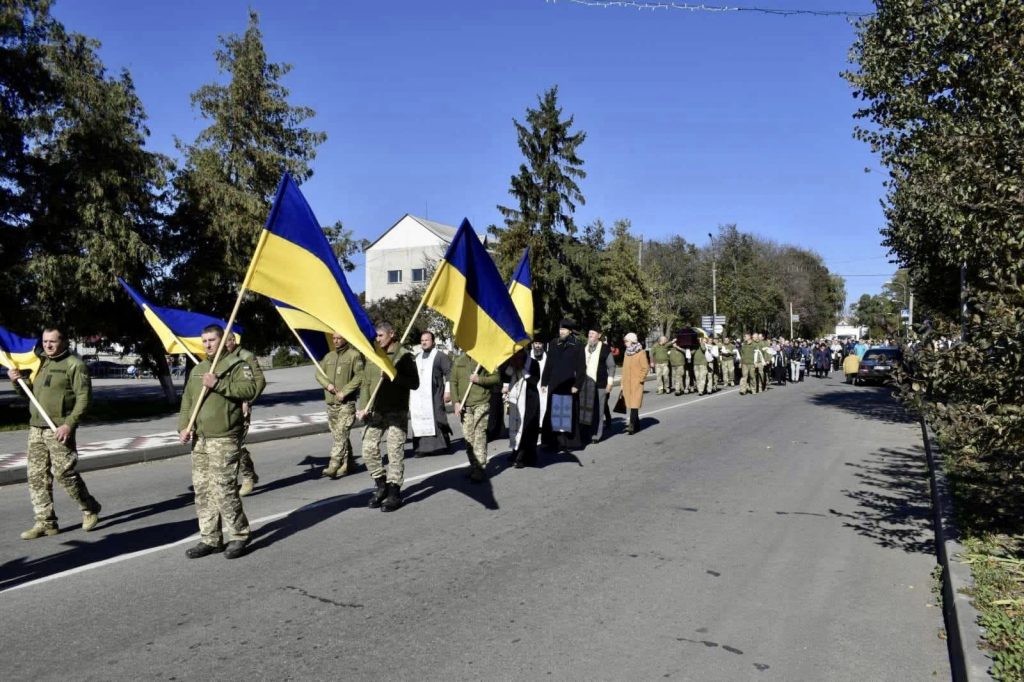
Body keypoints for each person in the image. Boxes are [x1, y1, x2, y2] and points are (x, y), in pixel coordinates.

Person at [9, 327, 102, 540]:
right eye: (45, 341)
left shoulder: (75, 365)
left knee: (64, 473)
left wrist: (69, 424)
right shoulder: (40, 363)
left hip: (59, 429)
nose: (48, 345)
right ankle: (45, 522)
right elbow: (29, 397)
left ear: (64, 342)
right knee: (36, 476)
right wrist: (16, 381)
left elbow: (84, 399)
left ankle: (89, 507)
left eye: (53, 341)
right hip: (36, 428)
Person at [178, 324, 258, 560]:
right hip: (200, 440)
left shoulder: (236, 365)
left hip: (224, 438)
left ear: (223, 341)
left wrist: (218, 384)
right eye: (204, 341)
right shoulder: (198, 369)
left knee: (224, 489)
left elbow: (249, 389)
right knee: (203, 491)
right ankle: (210, 538)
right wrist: (183, 426)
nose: (207, 345)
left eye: (212, 340)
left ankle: (240, 535)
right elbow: (187, 401)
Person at [356, 321, 419, 512]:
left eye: (380, 335)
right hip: (376, 410)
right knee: (368, 447)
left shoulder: (404, 356)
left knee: (394, 451)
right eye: (376, 336)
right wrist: (363, 407)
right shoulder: (373, 355)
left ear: (391, 334)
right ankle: (381, 485)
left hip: (396, 411)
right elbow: (366, 383)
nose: (377, 339)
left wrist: (394, 375)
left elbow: (414, 383)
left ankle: (394, 491)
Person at [316, 333, 364, 478]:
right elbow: (318, 373)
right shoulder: (328, 357)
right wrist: (328, 385)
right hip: (331, 403)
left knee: (341, 434)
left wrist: (345, 391)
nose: (336, 341)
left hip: (346, 403)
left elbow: (360, 376)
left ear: (345, 338)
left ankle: (334, 464)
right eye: (334, 338)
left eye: (339, 338)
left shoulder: (354, 355)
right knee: (340, 435)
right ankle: (348, 462)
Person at [224, 331, 266, 497]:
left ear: (233, 340)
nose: (223, 346)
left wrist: (248, 401)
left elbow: (260, 381)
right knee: (228, 443)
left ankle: (247, 476)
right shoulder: (223, 358)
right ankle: (241, 476)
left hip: (242, 407)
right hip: (226, 408)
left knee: (237, 444)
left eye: (225, 342)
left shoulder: (246, 356)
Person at [451, 353, 500, 481]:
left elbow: (496, 378)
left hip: (481, 403)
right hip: (465, 405)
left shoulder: (486, 358)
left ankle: (480, 468)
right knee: (468, 438)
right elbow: (453, 381)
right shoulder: (459, 361)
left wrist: (480, 379)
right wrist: (455, 401)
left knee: (479, 435)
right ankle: (474, 465)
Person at [541, 318, 584, 453]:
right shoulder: (554, 343)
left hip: (568, 384)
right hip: (554, 384)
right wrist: (544, 381)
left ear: (570, 331)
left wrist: (577, 384)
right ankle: (553, 442)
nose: (561, 332)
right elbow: (548, 364)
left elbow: (582, 368)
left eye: (564, 329)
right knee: (553, 413)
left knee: (566, 414)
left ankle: (566, 442)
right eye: (560, 329)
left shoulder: (577, 345)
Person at [409, 331, 452, 457]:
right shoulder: (417, 357)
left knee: (438, 417)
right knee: (419, 419)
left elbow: (449, 373)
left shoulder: (440, 356)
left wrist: (448, 391)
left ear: (433, 342)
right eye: (422, 340)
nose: (424, 342)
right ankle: (421, 448)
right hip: (419, 395)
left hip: (435, 393)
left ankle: (443, 444)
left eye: (427, 340)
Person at [504, 347, 541, 468]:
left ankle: (524, 456)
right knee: (515, 425)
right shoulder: (512, 362)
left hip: (530, 400)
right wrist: (512, 365)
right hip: (516, 400)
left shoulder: (533, 363)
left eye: (519, 354)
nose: (517, 356)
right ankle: (515, 451)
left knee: (527, 428)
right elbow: (506, 374)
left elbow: (535, 380)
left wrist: (523, 370)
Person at [579, 323, 615, 444]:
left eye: (593, 334)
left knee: (599, 411)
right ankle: (585, 433)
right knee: (586, 409)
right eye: (589, 333)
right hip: (586, 384)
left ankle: (596, 435)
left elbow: (612, 366)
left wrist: (609, 383)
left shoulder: (605, 348)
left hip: (600, 384)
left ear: (599, 335)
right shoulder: (585, 347)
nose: (590, 335)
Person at [620, 333, 649, 434]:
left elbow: (645, 367)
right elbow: (624, 369)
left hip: (637, 383)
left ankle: (631, 426)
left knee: (634, 404)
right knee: (631, 404)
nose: (625, 343)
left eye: (626, 341)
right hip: (627, 383)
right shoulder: (626, 353)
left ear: (632, 341)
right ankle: (637, 425)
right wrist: (622, 382)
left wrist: (640, 379)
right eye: (625, 341)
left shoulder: (641, 352)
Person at [530, 339, 548, 444]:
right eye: (536, 343)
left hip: (543, 386)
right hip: (532, 385)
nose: (537, 346)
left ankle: (542, 426)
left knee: (543, 405)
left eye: (540, 343)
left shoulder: (547, 357)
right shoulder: (528, 356)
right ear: (533, 344)